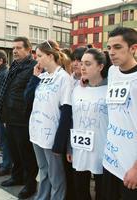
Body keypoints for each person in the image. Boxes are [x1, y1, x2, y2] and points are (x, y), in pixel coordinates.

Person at [24, 40, 73, 200]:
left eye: (39, 56)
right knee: (43, 170)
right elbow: (27, 99)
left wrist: (60, 141)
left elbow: (67, 111)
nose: (37, 59)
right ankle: (42, 197)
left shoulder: (64, 78)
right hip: (36, 132)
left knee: (55, 175)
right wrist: (34, 78)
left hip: (51, 135)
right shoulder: (42, 76)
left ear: (50, 56)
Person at [0, 37, 38, 199]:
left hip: (23, 118)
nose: (14, 51)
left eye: (19, 48)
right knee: (14, 151)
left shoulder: (34, 67)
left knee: (26, 154)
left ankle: (30, 185)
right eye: (13, 48)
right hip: (10, 116)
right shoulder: (14, 66)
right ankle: (17, 176)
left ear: (28, 50)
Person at [67, 48, 110, 200]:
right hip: (80, 149)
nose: (82, 67)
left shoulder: (111, 89)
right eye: (81, 63)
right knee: (80, 190)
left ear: (100, 66)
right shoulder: (77, 89)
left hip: (103, 150)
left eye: (88, 63)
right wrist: (69, 147)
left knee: (103, 192)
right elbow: (72, 120)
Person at [102, 27, 137, 200]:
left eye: (117, 47)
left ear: (133, 48)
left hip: (131, 168)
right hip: (110, 160)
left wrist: (136, 169)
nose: (112, 53)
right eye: (109, 48)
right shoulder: (112, 71)